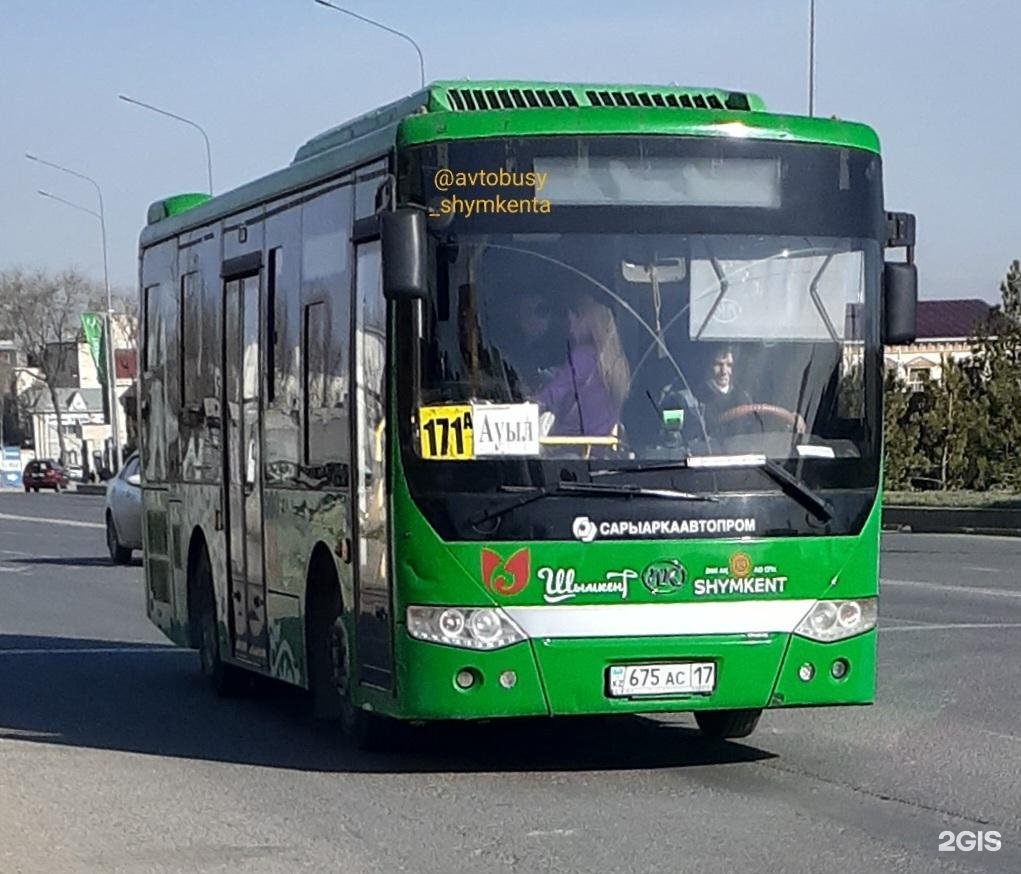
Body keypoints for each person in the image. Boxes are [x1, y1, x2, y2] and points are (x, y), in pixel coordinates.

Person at [535, 293, 630, 437]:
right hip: (601, 450)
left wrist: (529, 403)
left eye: (573, 322)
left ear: (585, 321)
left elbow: (555, 393)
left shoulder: (583, 356)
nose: (571, 330)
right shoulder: (617, 362)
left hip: (571, 447)